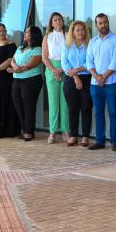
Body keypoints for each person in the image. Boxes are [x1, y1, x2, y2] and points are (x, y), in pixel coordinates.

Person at [85, 13, 116, 151]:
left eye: (105, 22)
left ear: (108, 23)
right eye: (100, 23)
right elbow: (89, 61)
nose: (103, 25)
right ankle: (100, 141)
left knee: (113, 112)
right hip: (95, 84)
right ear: (96, 25)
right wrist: (96, 76)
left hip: (112, 83)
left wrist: (103, 77)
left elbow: (115, 61)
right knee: (98, 113)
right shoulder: (92, 41)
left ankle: (114, 142)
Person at [10, 26, 44, 141]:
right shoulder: (20, 48)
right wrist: (16, 68)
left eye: (27, 32)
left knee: (28, 106)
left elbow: (32, 63)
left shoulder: (38, 49)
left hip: (31, 80)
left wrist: (19, 69)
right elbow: (12, 60)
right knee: (18, 105)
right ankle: (24, 130)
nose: (25, 33)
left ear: (34, 35)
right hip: (17, 79)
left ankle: (29, 131)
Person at [62, 20, 93, 147]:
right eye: (77, 30)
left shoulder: (90, 45)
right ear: (73, 33)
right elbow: (65, 64)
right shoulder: (67, 45)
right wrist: (75, 76)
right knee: (72, 109)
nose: (80, 32)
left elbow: (90, 62)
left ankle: (85, 136)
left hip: (87, 78)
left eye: (82, 29)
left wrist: (77, 70)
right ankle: (73, 135)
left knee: (86, 107)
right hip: (70, 79)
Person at [41, 12, 69, 144]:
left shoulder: (68, 35)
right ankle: (52, 132)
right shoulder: (47, 37)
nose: (58, 21)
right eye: (55, 20)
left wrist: (62, 69)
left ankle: (65, 131)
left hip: (66, 69)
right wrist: (54, 70)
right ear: (51, 23)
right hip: (51, 69)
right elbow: (44, 56)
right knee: (53, 103)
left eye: (59, 19)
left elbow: (71, 54)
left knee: (65, 103)